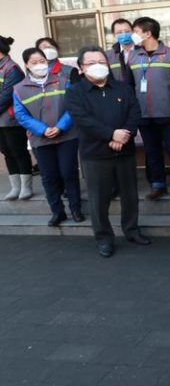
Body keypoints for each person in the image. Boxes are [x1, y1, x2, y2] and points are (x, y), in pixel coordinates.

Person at [65, 46, 149, 258]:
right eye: (91, 63)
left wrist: (125, 135)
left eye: (102, 62)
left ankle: (132, 230)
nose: (98, 66)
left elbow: (134, 112)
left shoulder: (122, 87)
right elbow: (82, 120)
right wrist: (111, 135)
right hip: (95, 154)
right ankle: (104, 238)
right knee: (98, 199)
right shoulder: (75, 91)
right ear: (81, 67)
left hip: (125, 150)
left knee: (130, 195)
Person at [13, 47, 83, 226]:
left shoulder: (63, 81)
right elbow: (21, 115)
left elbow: (73, 106)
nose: (39, 65)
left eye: (42, 61)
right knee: (49, 176)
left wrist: (60, 126)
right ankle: (57, 212)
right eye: (34, 62)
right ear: (26, 65)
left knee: (69, 172)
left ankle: (76, 209)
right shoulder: (19, 89)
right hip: (40, 139)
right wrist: (42, 130)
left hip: (67, 136)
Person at [126, 16, 170, 200]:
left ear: (148, 33)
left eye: (136, 32)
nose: (133, 35)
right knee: (151, 151)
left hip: (167, 112)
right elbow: (129, 86)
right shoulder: (132, 57)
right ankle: (157, 185)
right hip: (143, 113)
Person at [0, 35, 34, 200]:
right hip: (1, 121)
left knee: (18, 151)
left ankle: (26, 187)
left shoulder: (11, 68)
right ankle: (15, 187)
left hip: (11, 119)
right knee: (7, 152)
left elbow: (6, 96)